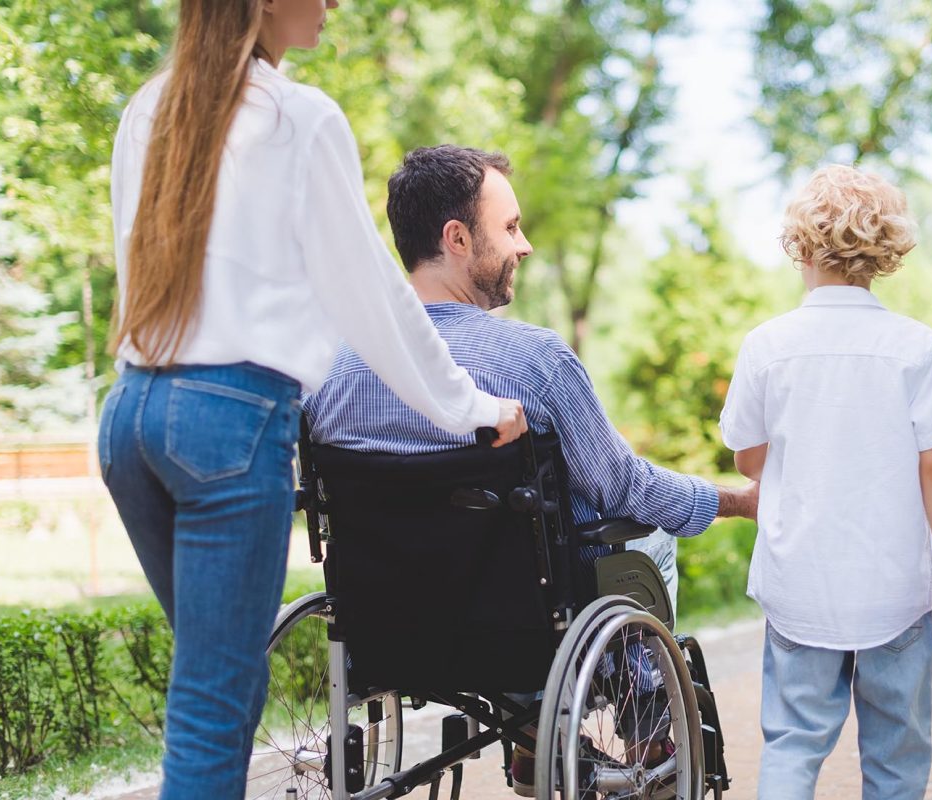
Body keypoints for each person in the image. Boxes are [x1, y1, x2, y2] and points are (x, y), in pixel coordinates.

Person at [99, 3, 527, 798]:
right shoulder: (300, 118)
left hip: (130, 417)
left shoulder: (147, 108)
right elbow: (371, 293)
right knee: (213, 702)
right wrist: (471, 405)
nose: (333, 3)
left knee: (211, 679)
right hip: (228, 423)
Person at [304, 144, 759, 795]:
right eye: (511, 227)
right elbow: (625, 487)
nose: (527, 246)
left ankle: (530, 738)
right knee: (648, 530)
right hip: (520, 627)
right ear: (457, 238)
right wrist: (738, 502)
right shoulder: (535, 360)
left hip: (390, 627)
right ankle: (647, 727)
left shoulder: (336, 368)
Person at [719, 164, 932, 800]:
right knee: (896, 756)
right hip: (895, 594)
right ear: (884, 251)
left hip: (800, 586)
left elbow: (749, 459)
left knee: (792, 745)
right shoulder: (919, 348)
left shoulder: (767, 346)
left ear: (799, 246)